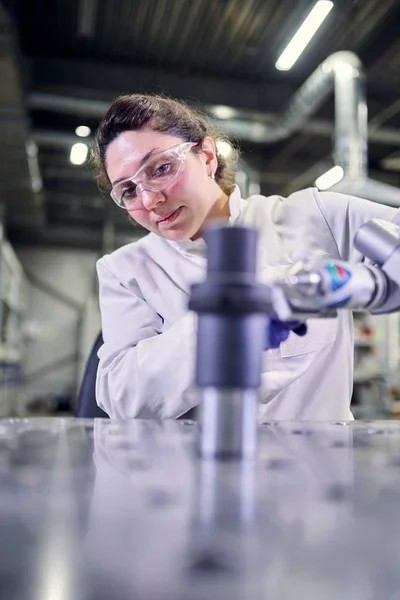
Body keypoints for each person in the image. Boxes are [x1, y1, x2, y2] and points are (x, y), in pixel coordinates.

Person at [93, 94, 400, 421]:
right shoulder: (127, 270)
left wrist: (351, 284)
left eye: (161, 168)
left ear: (207, 157)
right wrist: (217, 329)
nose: (150, 199)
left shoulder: (312, 216)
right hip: (200, 467)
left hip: (321, 464)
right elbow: (120, 396)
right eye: (128, 190)